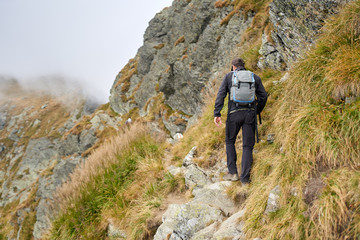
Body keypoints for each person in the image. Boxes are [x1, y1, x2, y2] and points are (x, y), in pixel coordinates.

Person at [214, 58, 267, 184]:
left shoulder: (229, 77)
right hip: (249, 114)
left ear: (233, 67)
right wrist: (256, 110)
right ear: (244, 66)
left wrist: (217, 113)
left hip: (234, 114)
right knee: (247, 146)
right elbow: (263, 96)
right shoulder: (254, 77)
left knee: (230, 141)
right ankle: (245, 179)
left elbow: (221, 95)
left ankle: (233, 173)